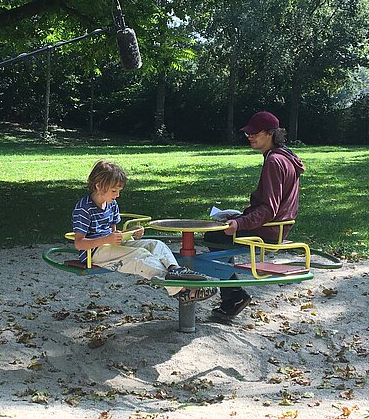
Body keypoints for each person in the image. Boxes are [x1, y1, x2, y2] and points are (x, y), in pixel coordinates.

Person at [204, 111, 305, 318]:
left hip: (269, 229)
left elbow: (269, 209)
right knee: (221, 232)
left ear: (270, 134)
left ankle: (233, 295)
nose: (250, 136)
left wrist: (240, 224)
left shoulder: (274, 162)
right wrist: (240, 217)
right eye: (248, 133)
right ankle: (232, 294)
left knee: (214, 236)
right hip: (278, 225)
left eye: (254, 133)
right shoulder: (285, 156)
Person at [72, 160, 217, 302]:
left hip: (109, 246)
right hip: (94, 253)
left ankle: (176, 270)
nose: (117, 195)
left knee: (155, 245)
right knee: (140, 256)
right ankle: (182, 289)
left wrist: (129, 233)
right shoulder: (84, 208)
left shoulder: (111, 204)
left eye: (119, 191)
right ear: (98, 186)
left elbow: (114, 233)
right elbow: (79, 244)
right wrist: (106, 240)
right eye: (114, 191)